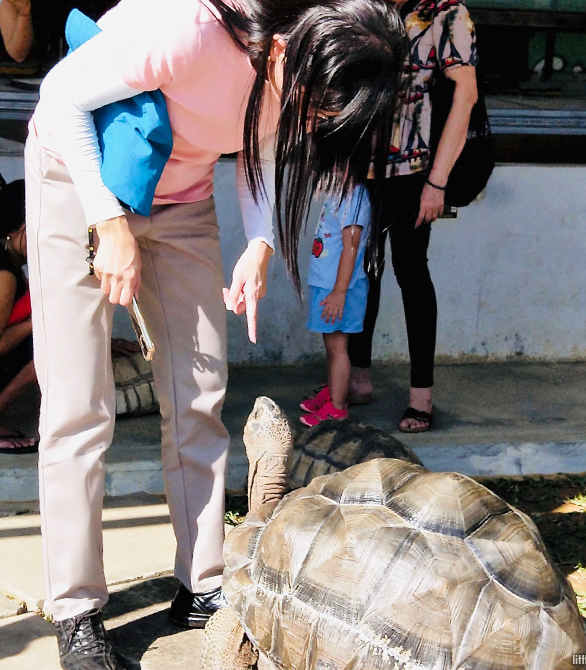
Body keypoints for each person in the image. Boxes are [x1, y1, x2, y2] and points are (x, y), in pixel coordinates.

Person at [26, 0, 406, 667]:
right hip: (73, 179)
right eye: (318, 110)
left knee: (199, 391)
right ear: (288, 51)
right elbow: (61, 98)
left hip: (181, 200)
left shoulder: (296, 75)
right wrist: (108, 223)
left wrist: (259, 243)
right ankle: (78, 609)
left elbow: (259, 145)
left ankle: (201, 582)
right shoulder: (190, 30)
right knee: (78, 408)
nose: (314, 124)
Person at [348, 0, 479, 433]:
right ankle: (358, 375)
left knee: (410, 271)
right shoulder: (366, 7)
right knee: (361, 270)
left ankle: (421, 395)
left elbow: (466, 94)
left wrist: (437, 182)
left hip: (415, 170)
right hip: (359, 168)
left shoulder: (445, 13)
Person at [300, 186, 371, 427]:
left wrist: (339, 292)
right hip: (329, 287)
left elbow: (351, 249)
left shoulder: (353, 198)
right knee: (332, 347)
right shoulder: (338, 192)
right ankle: (332, 393)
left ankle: (337, 408)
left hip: (339, 290)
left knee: (338, 348)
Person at [0, 178, 38, 452]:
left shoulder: (12, 264)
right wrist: (33, 325)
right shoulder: (4, 275)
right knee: (57, 346)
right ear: (23, 227)